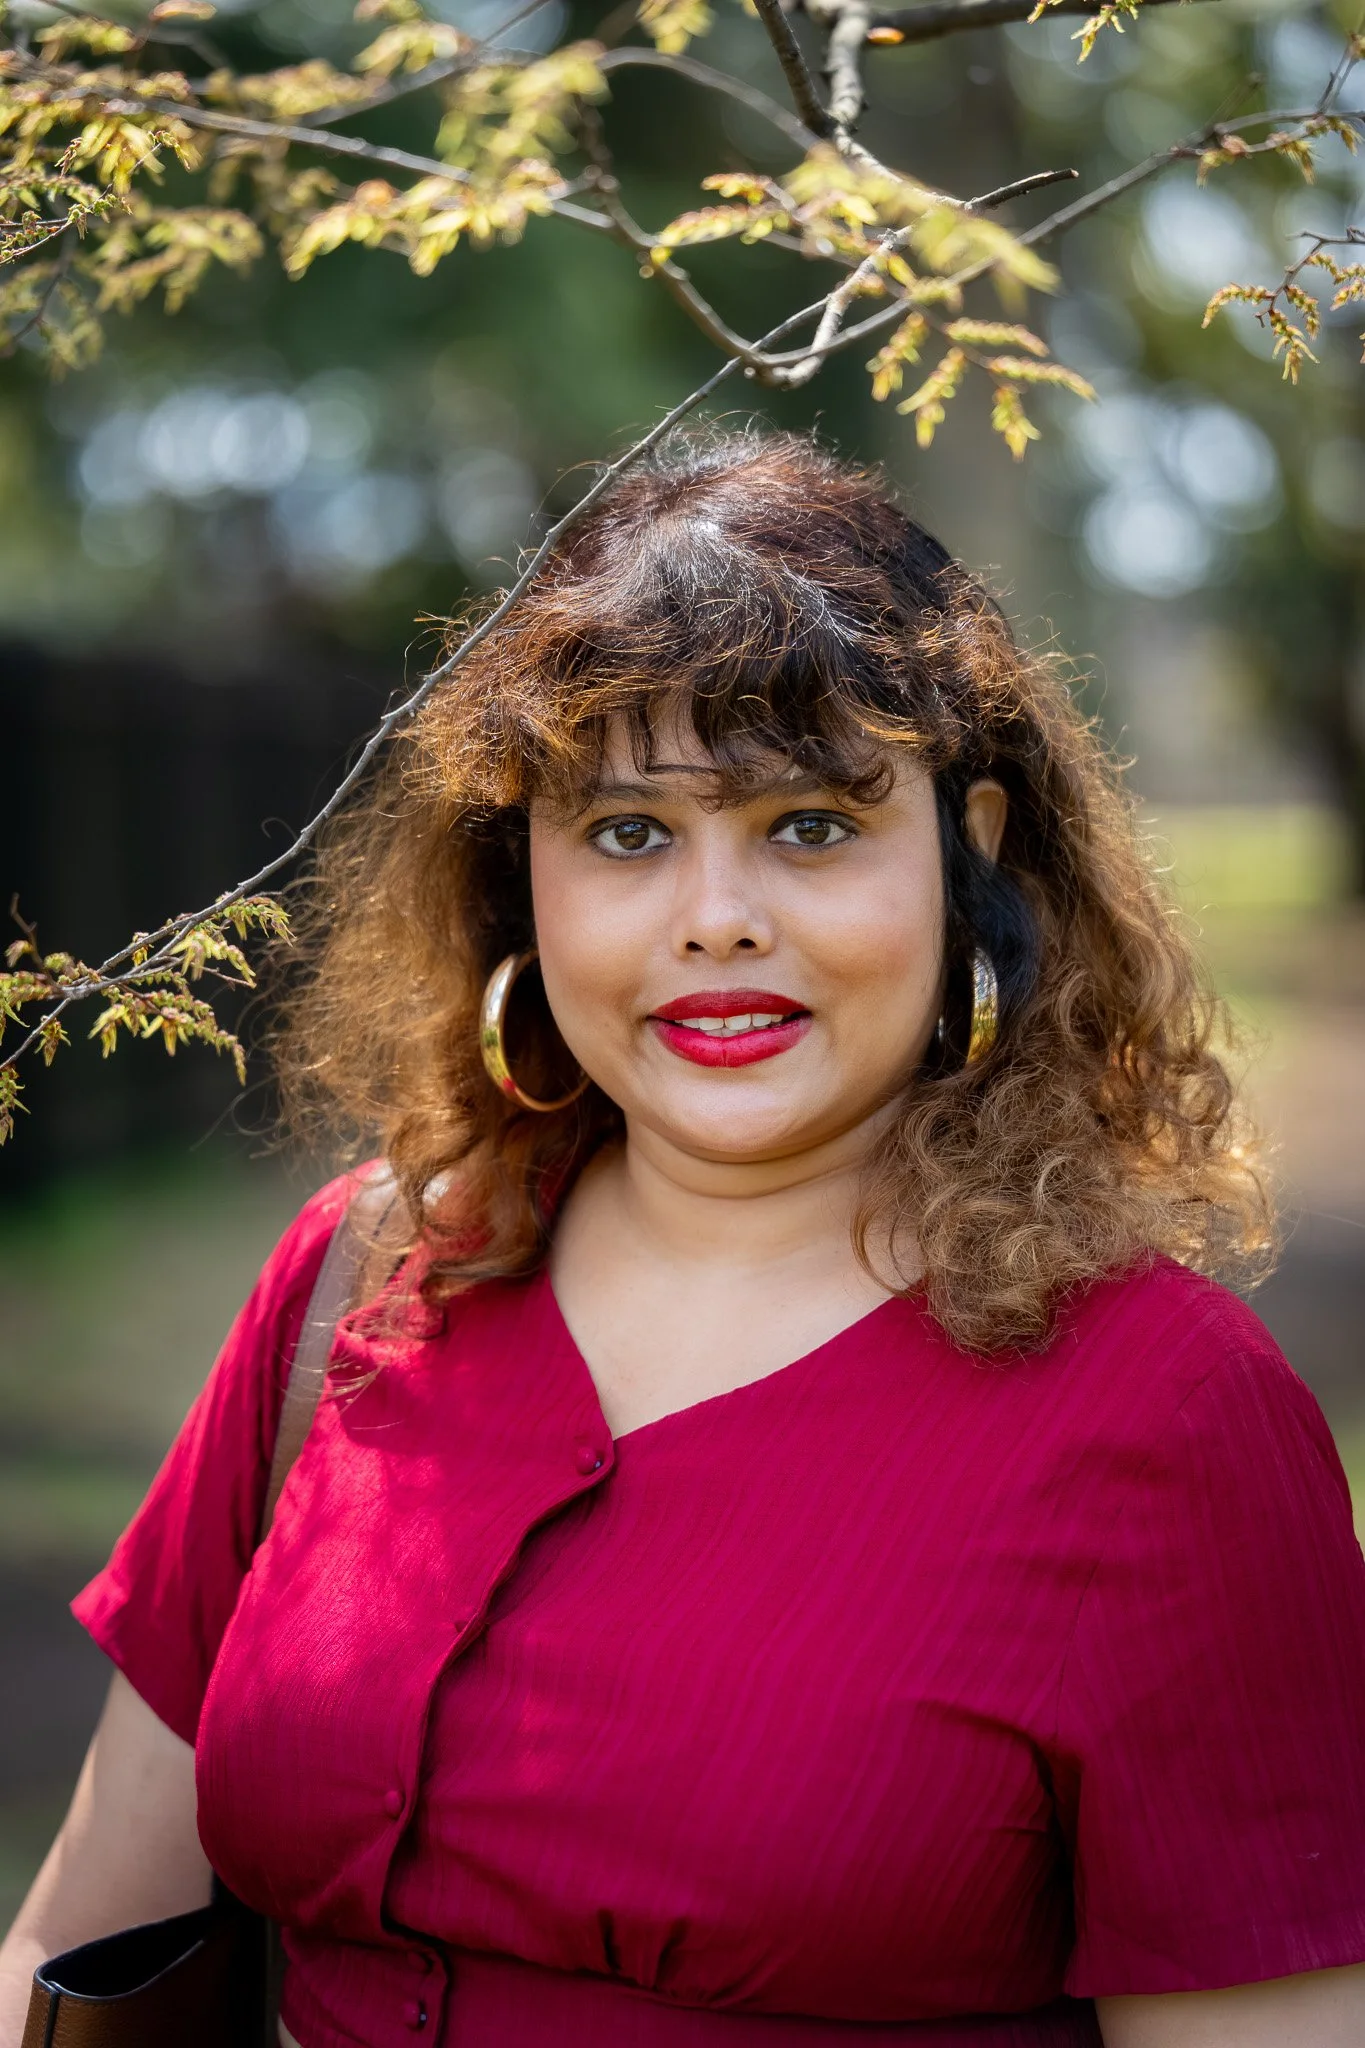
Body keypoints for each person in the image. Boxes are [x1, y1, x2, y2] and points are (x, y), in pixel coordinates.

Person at [3, 430, 1364, 2048]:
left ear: (969, 849)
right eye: (629, 832)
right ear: (526, 876)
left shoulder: (1168, 1418)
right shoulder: (361, 1281)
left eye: (810, 824)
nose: (717, 916)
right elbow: (76, 1952)